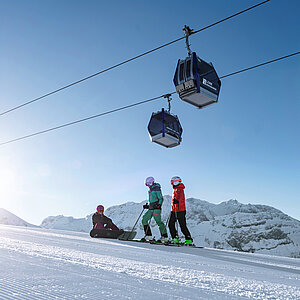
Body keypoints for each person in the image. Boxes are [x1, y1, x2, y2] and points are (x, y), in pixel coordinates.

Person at [141, 176, 168, 242]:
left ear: (152, 182)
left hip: (156, 209)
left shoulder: (156, 188)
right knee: (144, 219)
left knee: (159, 222)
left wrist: (158, 205)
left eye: (149, 183)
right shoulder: (150, 189)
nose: (148, 185)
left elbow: (161, 198)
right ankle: (149, 236)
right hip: (151, 209)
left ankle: (165, 237)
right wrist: (148, 206)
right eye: (147, 183)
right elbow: (152, 199)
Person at [168, 176, 193, 245]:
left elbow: (181, 198)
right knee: (171, 224)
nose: (174, 184)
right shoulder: (175, 189)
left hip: (180, 210)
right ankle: (175, 238)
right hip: (175, 210)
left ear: (179, 182)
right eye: (173, 182)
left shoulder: (180, 189)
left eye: (176, 182)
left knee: (182, 225)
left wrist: (177, 201)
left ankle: (188, 239)